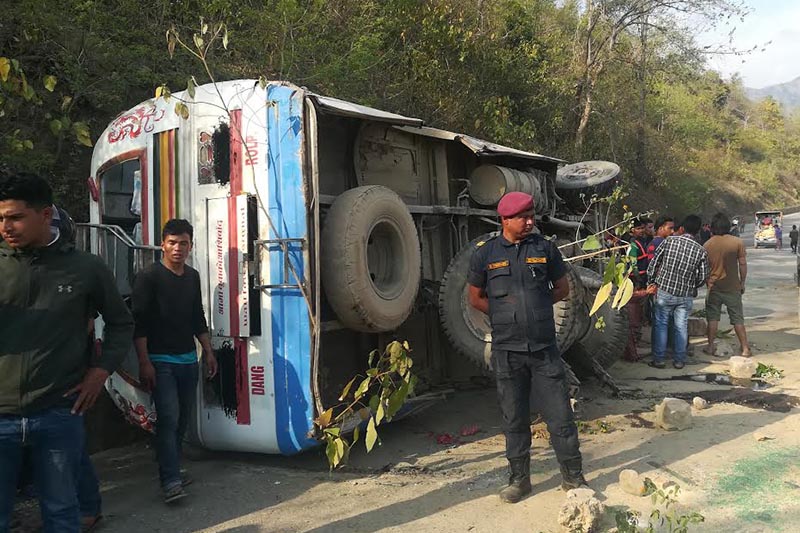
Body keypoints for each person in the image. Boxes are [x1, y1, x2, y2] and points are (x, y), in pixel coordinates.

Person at [0, 172, 133, 533]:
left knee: (61, 513)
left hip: (59, 413)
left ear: (45, 215)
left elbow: (122, 323)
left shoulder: (86, 268)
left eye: (15, 217)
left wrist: (101, 371)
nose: (5, 227)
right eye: (0, 218)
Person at [467, 192, 585, 504]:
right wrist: (505, 315)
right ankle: (519, 480)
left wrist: (536, 309)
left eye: (531, 215)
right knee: (514, 420)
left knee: (560, 416)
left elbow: (561, 288)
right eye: (522, 217)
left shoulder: (544, 249)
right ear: (505, 220)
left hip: (544, 349)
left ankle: (573, 477)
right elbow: (475, 297)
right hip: (507, 351)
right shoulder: (485, 254)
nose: (530, 221)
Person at [132, 219, 218, 504]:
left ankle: (173, 469)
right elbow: (139, 323)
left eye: (183, 243)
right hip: (160, 360)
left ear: (190, 246)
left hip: (187, 359)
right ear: (162, 245)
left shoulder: (192, 277)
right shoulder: (148, 277)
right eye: (172, 242)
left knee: (181, 418)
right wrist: (144, 362)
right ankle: (170, 480)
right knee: (168, 418)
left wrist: (208, 351)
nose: (177, 248)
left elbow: (198, 317)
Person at [646, 215, 710, 369]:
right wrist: (691, 286)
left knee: (661, 324)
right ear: (697, 230)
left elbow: (653, 264)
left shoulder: (669, 241)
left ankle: (659, 360)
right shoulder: (701, 251)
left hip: (664, 291)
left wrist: (652, 281)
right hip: (685, 295)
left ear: (682, 228)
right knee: (681, 326)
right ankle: (679, 360)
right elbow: (702, 277)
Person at [704, 213, 750, 357]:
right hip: (733, 287)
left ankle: (710, 347)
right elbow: (742, 264)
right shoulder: (737, 242)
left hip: (714, 287)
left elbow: (704, 268)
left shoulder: (707, 244)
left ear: (713, 227)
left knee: (712, 318)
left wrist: (708, 282)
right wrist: (742, 282)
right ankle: (745, 349)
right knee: (737, 318)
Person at [623, 218, 652, 362]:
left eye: (642, 228)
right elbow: (633, 264)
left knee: (638, 315)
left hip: (639, 280)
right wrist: (638, 279)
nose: (641, 230)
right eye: (639, 228)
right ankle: (632, 352)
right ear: (632, 230)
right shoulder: (633, 245)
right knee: (634, 317)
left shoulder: (640, 243)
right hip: (635, 282)